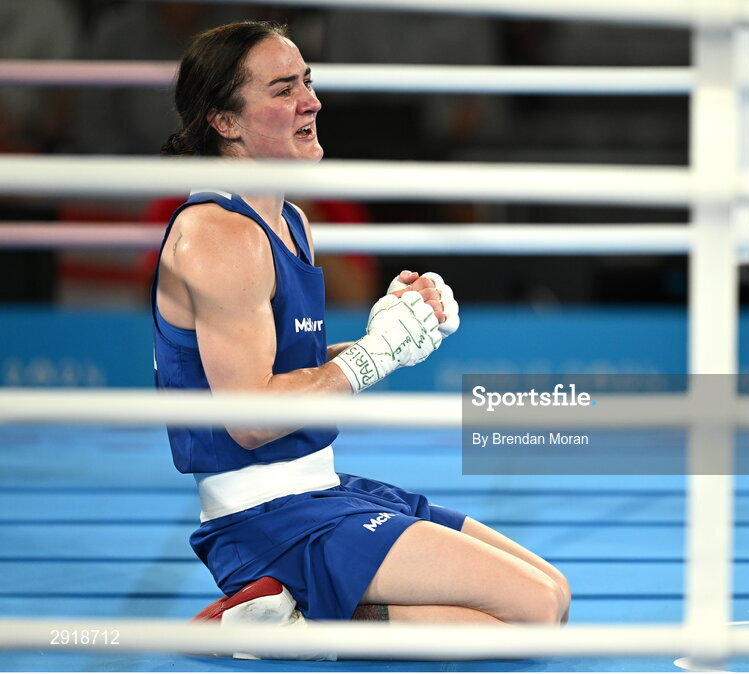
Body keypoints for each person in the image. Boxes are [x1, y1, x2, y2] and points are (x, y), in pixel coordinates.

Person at [152, 21, 570, 639]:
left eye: (308, 82)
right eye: (282, 88)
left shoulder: (288, 219)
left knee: (554, 596)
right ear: (225, 120)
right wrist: (372, 357)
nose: (310, 102)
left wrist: (397, 337)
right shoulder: (219, 234)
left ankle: (290, 614)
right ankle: (286, 623)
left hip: (321, 489)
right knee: (530, 613)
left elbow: (285, 367)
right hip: (264, 518)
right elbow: (251, 416)